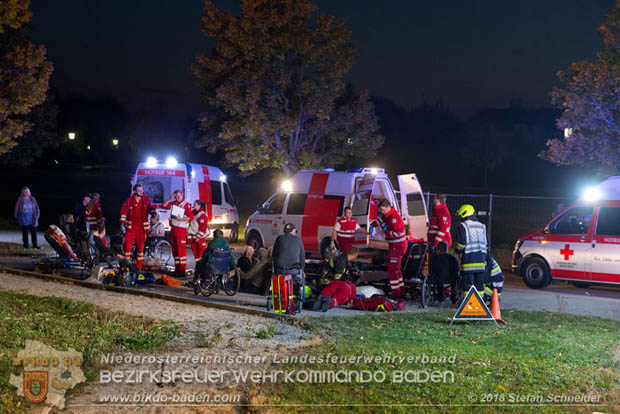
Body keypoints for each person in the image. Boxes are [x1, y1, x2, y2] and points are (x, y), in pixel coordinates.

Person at [376, 200, 408, 298]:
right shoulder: (389, 215)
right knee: (397, 270)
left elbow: (396, 233)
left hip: (398, 246)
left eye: (382, 209)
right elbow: (381, 220)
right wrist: (373, 225)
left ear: (388, 207)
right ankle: (401, 292)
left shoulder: (394, 218)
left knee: (392, 270)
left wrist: (386, 230)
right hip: (395, 246)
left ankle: (396, 294)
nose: (382, 211)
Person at [455, 204, 488, 296]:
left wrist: (457, 250)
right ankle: (479, 304)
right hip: (481, 261)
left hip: (469, 261)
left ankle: (468, 305)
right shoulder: (482, 226)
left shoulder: (463, 226)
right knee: (479, 285)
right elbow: (487, 243)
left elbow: (461, 243)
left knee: (468, 284)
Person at [120, 184, 154, 269]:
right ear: (135, 191)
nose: (141, 192)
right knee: (127, 248)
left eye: (142, 190)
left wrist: (153, 211)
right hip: (131, 228)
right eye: (139, 190)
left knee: (140, 249)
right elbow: (123, 212)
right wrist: (122, 224)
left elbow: (150, 208)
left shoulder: (146, 200)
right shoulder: (129, 200)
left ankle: (138, 267)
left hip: (141, 228)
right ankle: (126, 267)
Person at [161, 190, 194, 276]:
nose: (178, 198)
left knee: (180, 250)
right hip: (174, 229)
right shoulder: (174, 204)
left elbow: (190, 217)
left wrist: (181, 219)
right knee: (175, 250)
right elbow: (163, 205)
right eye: (176, 196)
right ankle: (177, 269)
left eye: (179, 196)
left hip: (181, 229)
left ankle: (182, 271)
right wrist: (170, 198)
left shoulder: (185, 205)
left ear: (182, 195)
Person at [272, 223, 306, 307]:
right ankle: (301, 300)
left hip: (279, 270)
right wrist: (302, 269)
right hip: (293, 271)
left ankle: (278, 299)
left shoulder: (279, 239)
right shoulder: (298, 240)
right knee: (302, 279)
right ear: (293, 231)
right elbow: (302, 257)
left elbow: (274, 255)